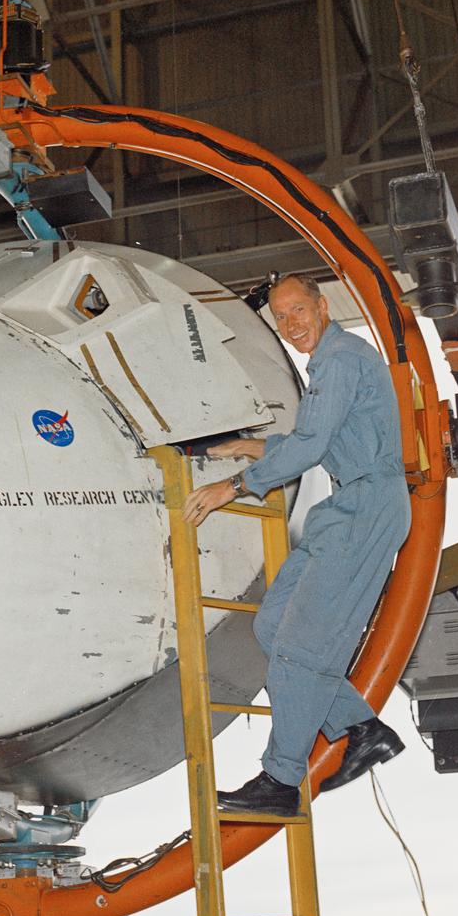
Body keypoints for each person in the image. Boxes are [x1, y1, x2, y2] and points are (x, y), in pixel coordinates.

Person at [182, 273, 411, 815]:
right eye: (281, 317)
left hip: (365, 508)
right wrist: (246, 444)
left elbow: (311, 445)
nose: (290, 324)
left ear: (322, 306)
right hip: (344, 508)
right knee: (271, 626)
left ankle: (280, 781)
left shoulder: (339, 359)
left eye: (298, 311)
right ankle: (360, 729)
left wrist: (232, 486)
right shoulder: (330, 361)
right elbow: (321, 438)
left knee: (301, 649)